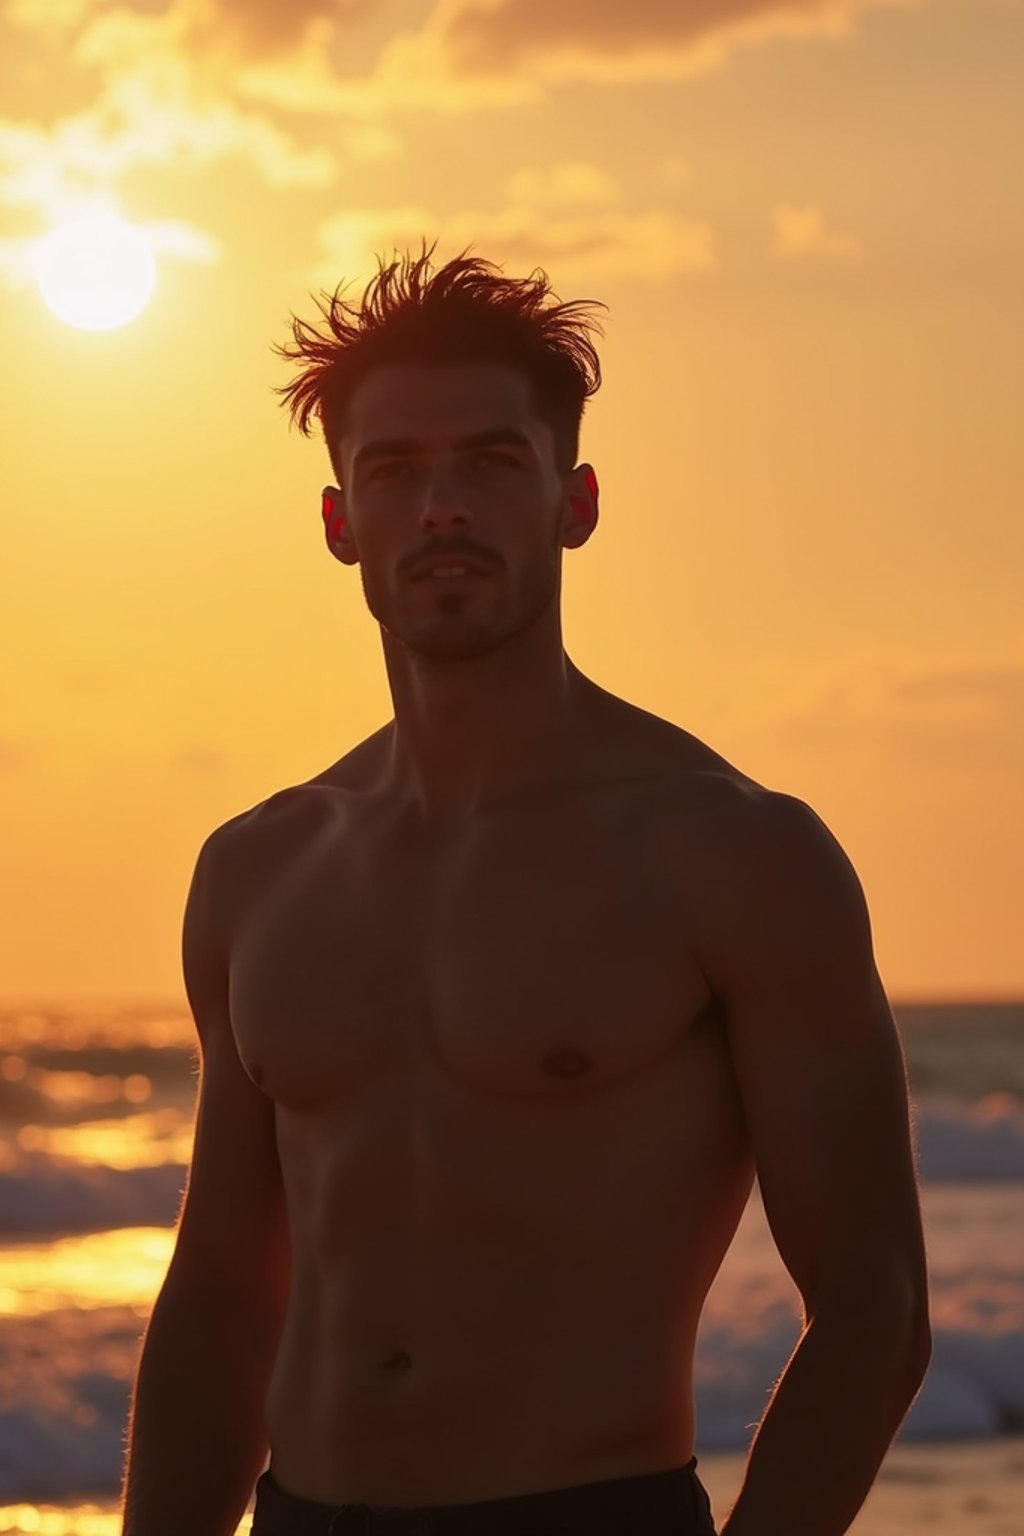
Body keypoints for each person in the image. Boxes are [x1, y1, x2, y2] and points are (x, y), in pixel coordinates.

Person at [119, 240, 931, 1536]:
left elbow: (876, 1308)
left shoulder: (732, 856)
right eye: (394, 471)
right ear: (340, 524)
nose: (442, 506)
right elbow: (221, 1299)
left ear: (576, 501)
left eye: (493, 462)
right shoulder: (259, 871)